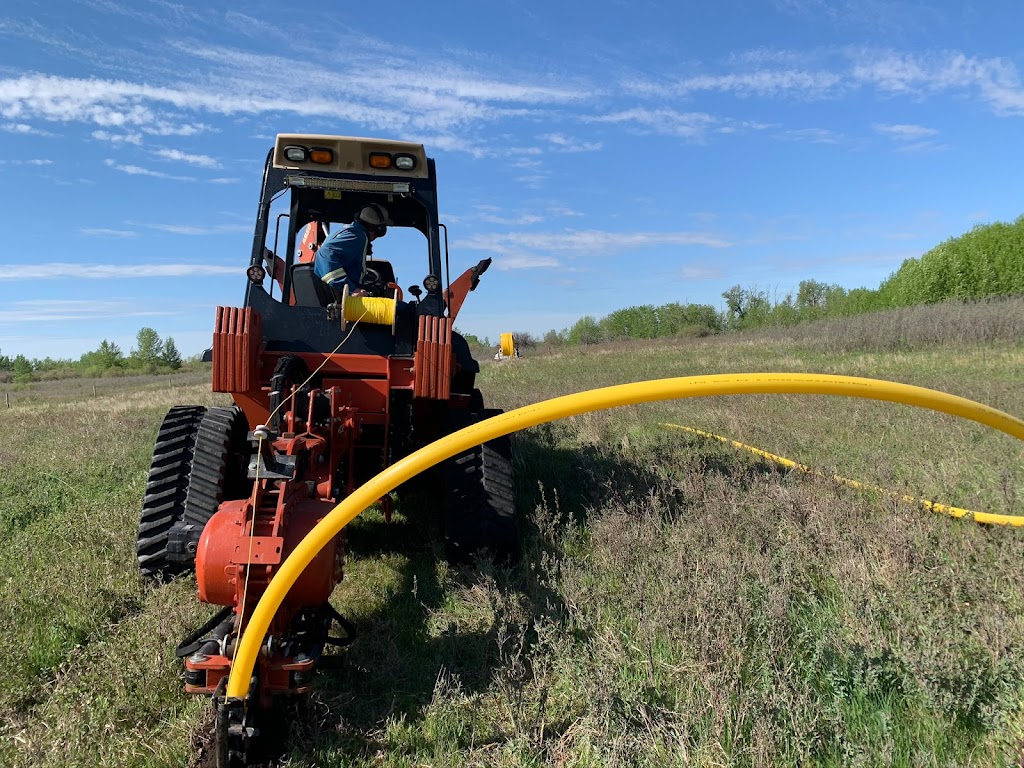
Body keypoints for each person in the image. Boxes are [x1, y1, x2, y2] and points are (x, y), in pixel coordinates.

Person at [313, 204, 389, 297]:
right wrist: (352, 289)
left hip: (342, 297)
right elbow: (325, 254)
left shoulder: (346, 231)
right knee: (402, 308)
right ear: (379, 229)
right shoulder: (358, 236)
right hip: (346, 302)